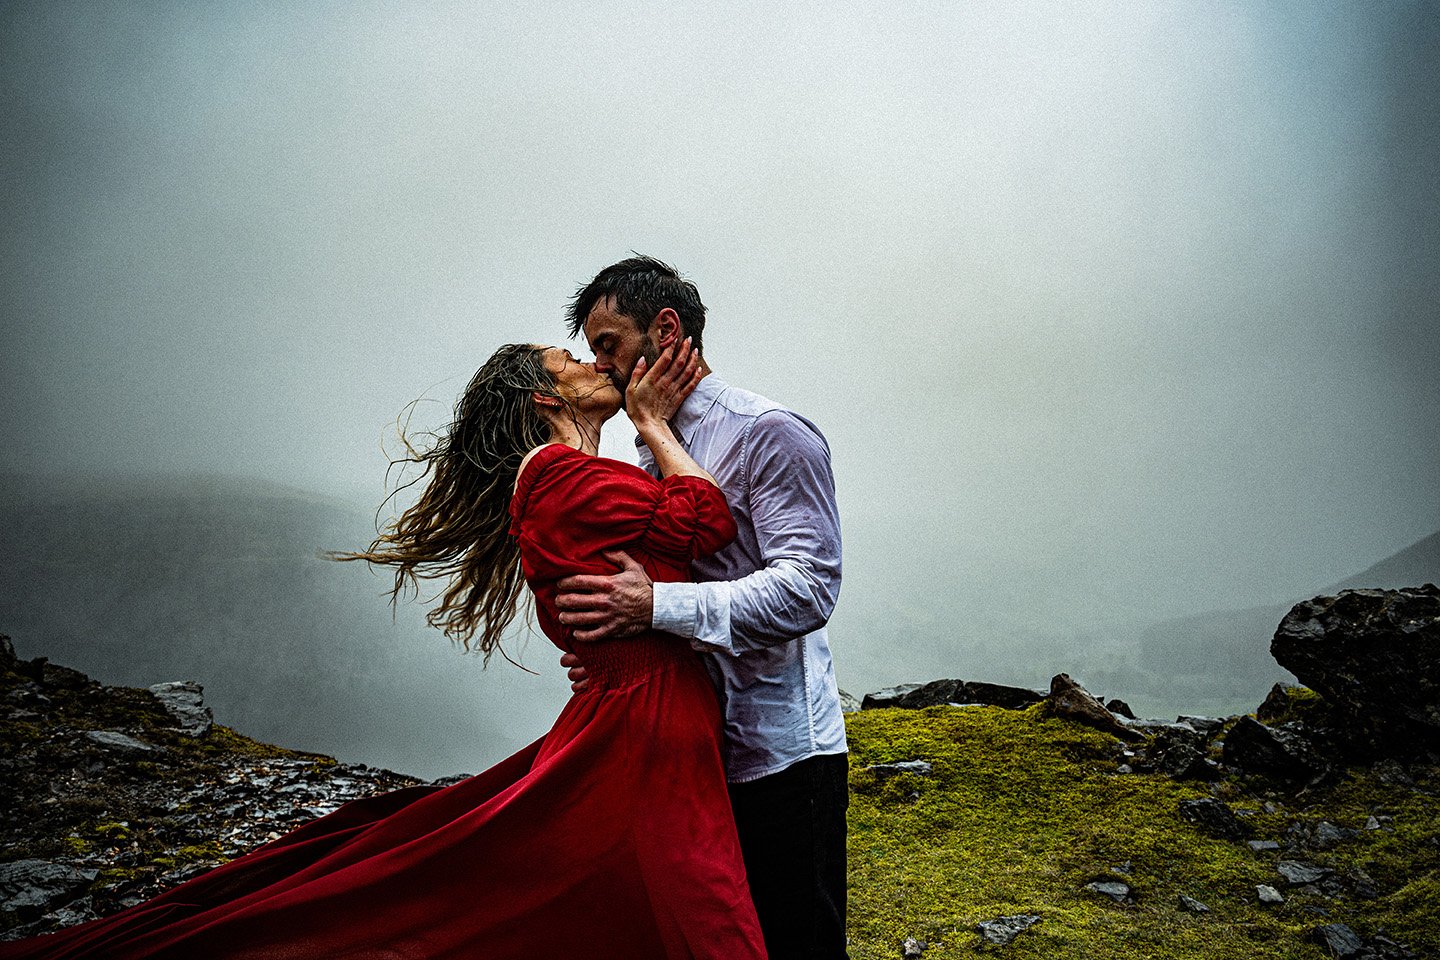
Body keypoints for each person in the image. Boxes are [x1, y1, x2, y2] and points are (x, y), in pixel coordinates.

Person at [0, 340, 768, 960]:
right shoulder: (561, 472)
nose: (593, 362)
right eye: (571, 359)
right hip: (646, 726)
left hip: (646, 714)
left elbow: (667, 556)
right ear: (545, 398)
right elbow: (706, 521)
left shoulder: (579, 475)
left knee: (646, 905)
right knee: (703, 916)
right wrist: (655, 424)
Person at [555, 256, 849, 960]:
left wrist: (652, 607)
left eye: (608, 344)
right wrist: (618, 650)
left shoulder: (768, 432)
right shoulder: (647, 449)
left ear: (665, 330)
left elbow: (810, 587)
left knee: (796, 945)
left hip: (781, 756)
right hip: (690, 753)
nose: (599, 366)